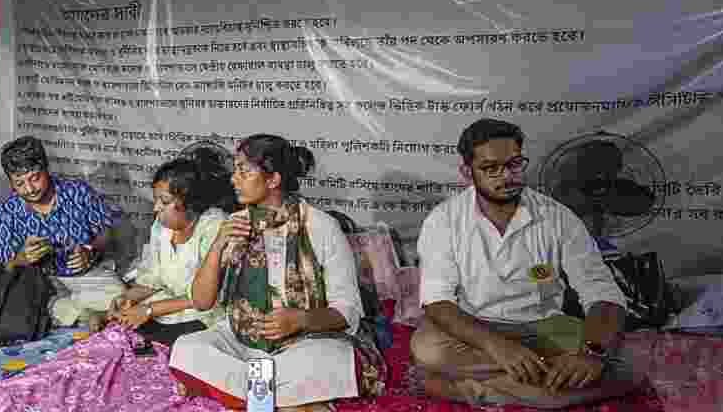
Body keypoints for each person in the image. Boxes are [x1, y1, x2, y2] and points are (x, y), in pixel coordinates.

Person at [411, 118, 644, 409]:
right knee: (427, 347)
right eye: (491, 168)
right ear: (467, 173)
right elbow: (437, 302)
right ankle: (546, 391)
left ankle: (470, 388)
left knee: (631, 363)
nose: (506, 176)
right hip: (476, 329)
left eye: (514, 164)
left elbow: (602, 292)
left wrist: (592, 353)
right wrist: (498, 347)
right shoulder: (443, 221)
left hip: (545, 327)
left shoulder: (557, 217)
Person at [169, 134, 382, 412]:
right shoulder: (234, 224)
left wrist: (300, 320)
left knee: (335, 360)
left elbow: (348, 312)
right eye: (235, 170)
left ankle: (248, 394)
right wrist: (219, 245)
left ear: (273, 180)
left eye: (243, 171)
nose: (233, 179)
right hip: (241, 340)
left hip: (306, 344)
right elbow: (201, 301)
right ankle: (281, 399)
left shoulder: (321, 227)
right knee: (186, 349)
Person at [107, 144, 237, 346]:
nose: (155, 208)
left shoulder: (214, 226)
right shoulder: (161, 226)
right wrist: (128, 297)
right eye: (156, 199)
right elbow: (153, 279)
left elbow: (205, 299)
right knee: (119, 337)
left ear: (190, 203)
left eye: (164, 201)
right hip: (165, 310)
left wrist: (150, 310)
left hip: (204, 318)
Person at [0, 136, 123, 329]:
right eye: (19, 183)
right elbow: (5, 264)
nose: (29, 189)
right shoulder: (7, 212)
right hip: (40, 284)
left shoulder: (78, 192)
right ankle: (86, 313)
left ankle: (73, 313)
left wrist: (89, 249)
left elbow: (107, 232)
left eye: (35, 178)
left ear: (46, 168)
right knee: (24, 303)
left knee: (119, 293)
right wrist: (23, 257)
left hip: (82, 277)